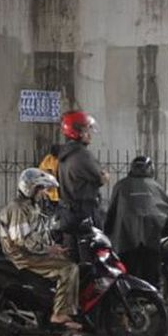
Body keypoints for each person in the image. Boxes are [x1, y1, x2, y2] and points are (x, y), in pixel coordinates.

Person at [0, 168, 81, 332]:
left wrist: (54, 248)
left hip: (31, 253)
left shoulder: (30, 206)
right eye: (42, 189)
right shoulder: (18, 208)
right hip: (24, 257)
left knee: (69, 260)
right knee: (69, 269)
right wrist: (49, 250)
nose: (45, 193)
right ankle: (59, 314)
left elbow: (39, 232)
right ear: (31, 188)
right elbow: (24, 241)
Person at [105, 156, 168, 287]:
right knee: (152, 265)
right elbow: (167, 209)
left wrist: (108, 230)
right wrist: (167, 231)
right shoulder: (157, 186)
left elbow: (112, 210)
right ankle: (152, 290)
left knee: (127, 266)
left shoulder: (121, 185)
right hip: (153, 235)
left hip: (125, 236)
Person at [57, 111, 109, 261]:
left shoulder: (64, 155)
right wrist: (104, 176)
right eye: (87, 130)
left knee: (71, 258)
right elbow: (102, 178)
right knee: (91, 259)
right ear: (77, 132)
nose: (90, 135)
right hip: (85, 214)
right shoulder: (82, 155)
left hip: (68, 215)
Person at [38, 144, 61, 209]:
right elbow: (43, 171)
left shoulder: (51, 159)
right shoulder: (49, 159)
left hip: (58, 192)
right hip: (51, 192)